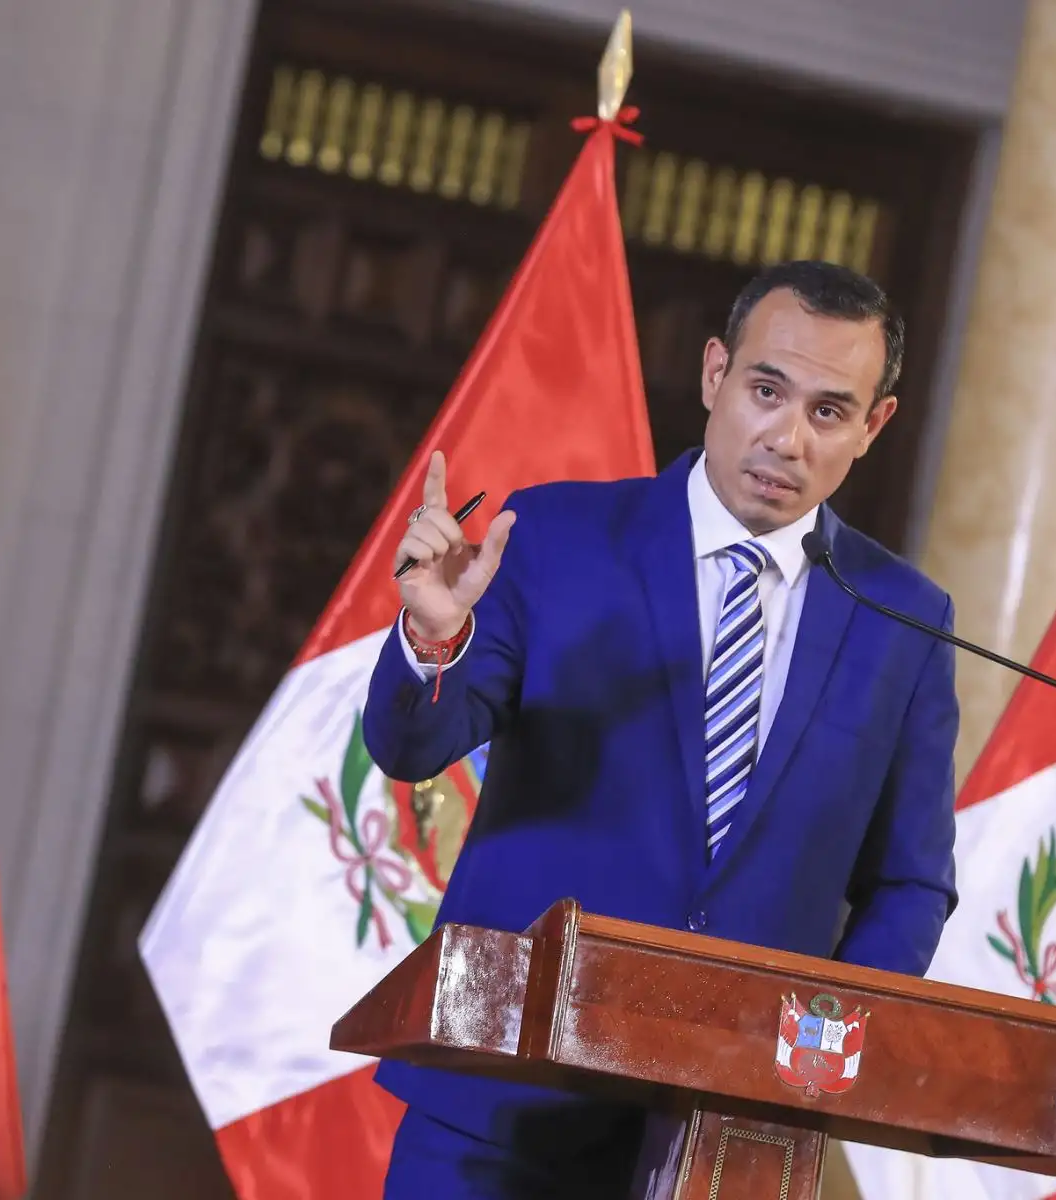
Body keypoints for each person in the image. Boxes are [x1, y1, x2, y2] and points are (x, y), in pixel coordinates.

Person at [362, 259, 960, 1198]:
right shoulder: (556, 537)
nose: (787, 437)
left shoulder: (903, 618)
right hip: (498, 1107)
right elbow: (409, 749)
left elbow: (911, 882)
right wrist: (433, 642)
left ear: (874, 426)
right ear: (716, 374)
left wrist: (818, 1054)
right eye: (767, 390)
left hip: (728, 1145)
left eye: (828, 412)